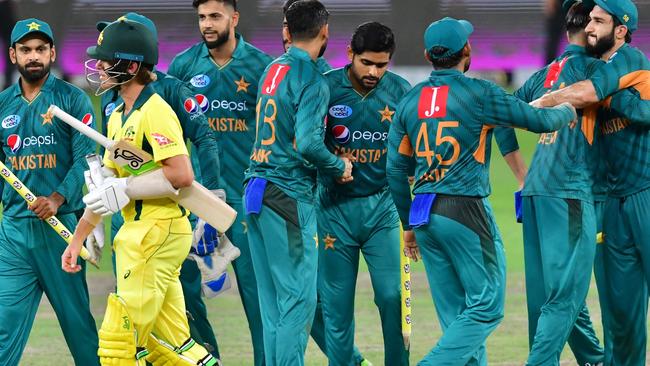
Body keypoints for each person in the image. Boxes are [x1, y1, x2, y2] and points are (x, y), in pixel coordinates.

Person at [386, 17, 577, 365]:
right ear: (467, 51)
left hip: (423, 212)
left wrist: (408, 226)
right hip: (465, 208)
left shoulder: (408, 101)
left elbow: (396, 170)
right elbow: (541, 122)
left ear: (429, 54)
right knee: (487, 307)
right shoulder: (480, 93)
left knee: (458, 316)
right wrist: (568, 108)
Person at [61, 19, 218, 366]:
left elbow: (181, 174)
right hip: (140, 235)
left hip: (156, 232)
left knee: (121, 344)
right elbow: (107, 188)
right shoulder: (118, 115)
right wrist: (78, 238)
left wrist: (126, 187)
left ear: (132, 66)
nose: (99, 66)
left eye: (106, 59)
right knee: (173, 344)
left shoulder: (155, 111)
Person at [531, 1, 650, 363]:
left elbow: (590, 93)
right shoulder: (587, 68)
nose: (589, 27)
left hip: (645, 190)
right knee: (620, 313)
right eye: (589, 21)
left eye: (598, 21)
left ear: (621, 30)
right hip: (608, 200)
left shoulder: (629, 58)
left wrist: (542, 103)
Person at [244, 1, 353, 364]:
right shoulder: (311, 78)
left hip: (256, 190)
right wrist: (337, 165)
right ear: (325, 33)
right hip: (287, 193)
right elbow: (307, 143)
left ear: (286, 32)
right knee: (298, 302)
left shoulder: (272, 69)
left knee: (273, 303)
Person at [168, 2, 273, 363]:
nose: (207, 24)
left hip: (245, 199)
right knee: (185, 292)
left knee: (258, 296)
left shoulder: (262, 67)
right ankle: (206, 358)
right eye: (202, 17)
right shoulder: (182, 66)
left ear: (234, 18)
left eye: (215, 16)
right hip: (193, 200)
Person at [0, 18, 99, 365]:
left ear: (53, 53)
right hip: (13, 234)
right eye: (25, 50)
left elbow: (88, 160)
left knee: (79, 329)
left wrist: (58, 198)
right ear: (13, 55)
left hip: (62, 233)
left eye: (41, 49)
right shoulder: (2, 106)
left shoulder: (73, 100)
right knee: (3, 329)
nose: (34, 57)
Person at [515, 2, 606, 364]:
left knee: (552, 294)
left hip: (537, 190)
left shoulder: (545, 74)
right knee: (565, 294)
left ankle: (595, 360)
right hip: (569, 189)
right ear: (589, 29)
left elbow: (503, 118)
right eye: (600, 21)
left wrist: (521, 174)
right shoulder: (597, 71)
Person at [316, 21, 410, 366]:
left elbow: (414, 152)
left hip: (381, 209)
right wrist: (330, 162)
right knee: (336, 308)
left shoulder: (401, 92)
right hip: (333, 210)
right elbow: (304, 145)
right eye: (366, 63)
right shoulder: (325, 89)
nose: (374, 72)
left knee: (392, 296)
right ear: (350, 54)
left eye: (382, 65)